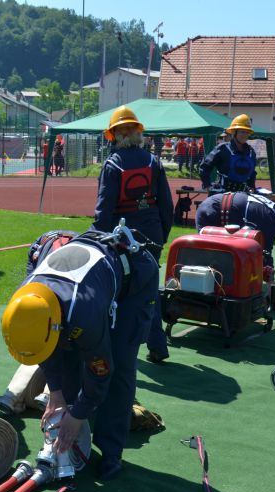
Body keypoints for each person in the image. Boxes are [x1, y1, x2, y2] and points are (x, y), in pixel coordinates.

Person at [1, 227, 160, 480]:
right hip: (92, 284)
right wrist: (56, 394)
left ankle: (111, 453)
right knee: (67, 369)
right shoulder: (25, 302)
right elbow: (46, 350)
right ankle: (78, 437)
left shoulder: (82, 314)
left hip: (134, 282)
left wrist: (77, 415)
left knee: (119, 365)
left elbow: (101, 370)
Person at [93, 105, 173, 364]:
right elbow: (166, 206)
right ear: (137, 132)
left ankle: (119, 347)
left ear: (115, 134)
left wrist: (96, 239)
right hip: (152, 235)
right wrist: (161, 235)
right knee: (149, 289)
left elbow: (104, 208)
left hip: (122, 237)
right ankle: (157, 344)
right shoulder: (154, 162)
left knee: (118, 292)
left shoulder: (113, 164)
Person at [195, 191, 275, 266]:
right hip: (211, 214)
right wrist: (272, 286)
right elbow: (265, 259)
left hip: (214, 206)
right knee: (209, 260)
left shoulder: (273, 211)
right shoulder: (270, 223)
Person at [199, 114, 258, 194]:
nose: (245, 135)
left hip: (243, 195)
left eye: (247, 132)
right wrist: (207, 185)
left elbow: (252, 174)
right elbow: (204, 167)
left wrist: (252, 187)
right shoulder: (222, 149)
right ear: (234, 132)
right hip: (222, 195)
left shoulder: (251, 152)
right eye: (242, 132)